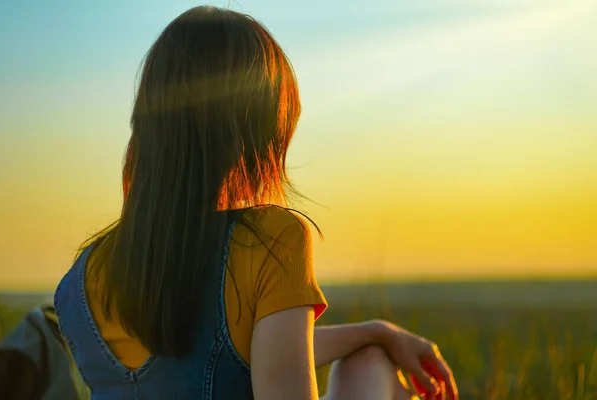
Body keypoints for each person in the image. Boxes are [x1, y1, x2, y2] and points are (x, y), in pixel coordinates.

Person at [53, 6, 458, 400]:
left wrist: (375, 332)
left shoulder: (82, 277)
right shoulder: (268, 240)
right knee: (371, 368)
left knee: (369, 354)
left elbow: (227, 358)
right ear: (251, 129)